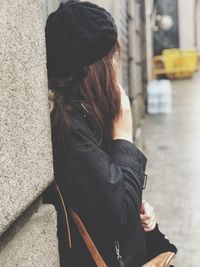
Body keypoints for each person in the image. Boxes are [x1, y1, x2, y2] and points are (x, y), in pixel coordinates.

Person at [43, 1, 177, 266]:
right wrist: (124, 137)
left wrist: (142, 217)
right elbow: (119, 218)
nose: (116, 66)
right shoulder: (71, 130)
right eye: (112, 57)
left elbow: (115, 201)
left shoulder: (88, 116)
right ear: (93, 68)